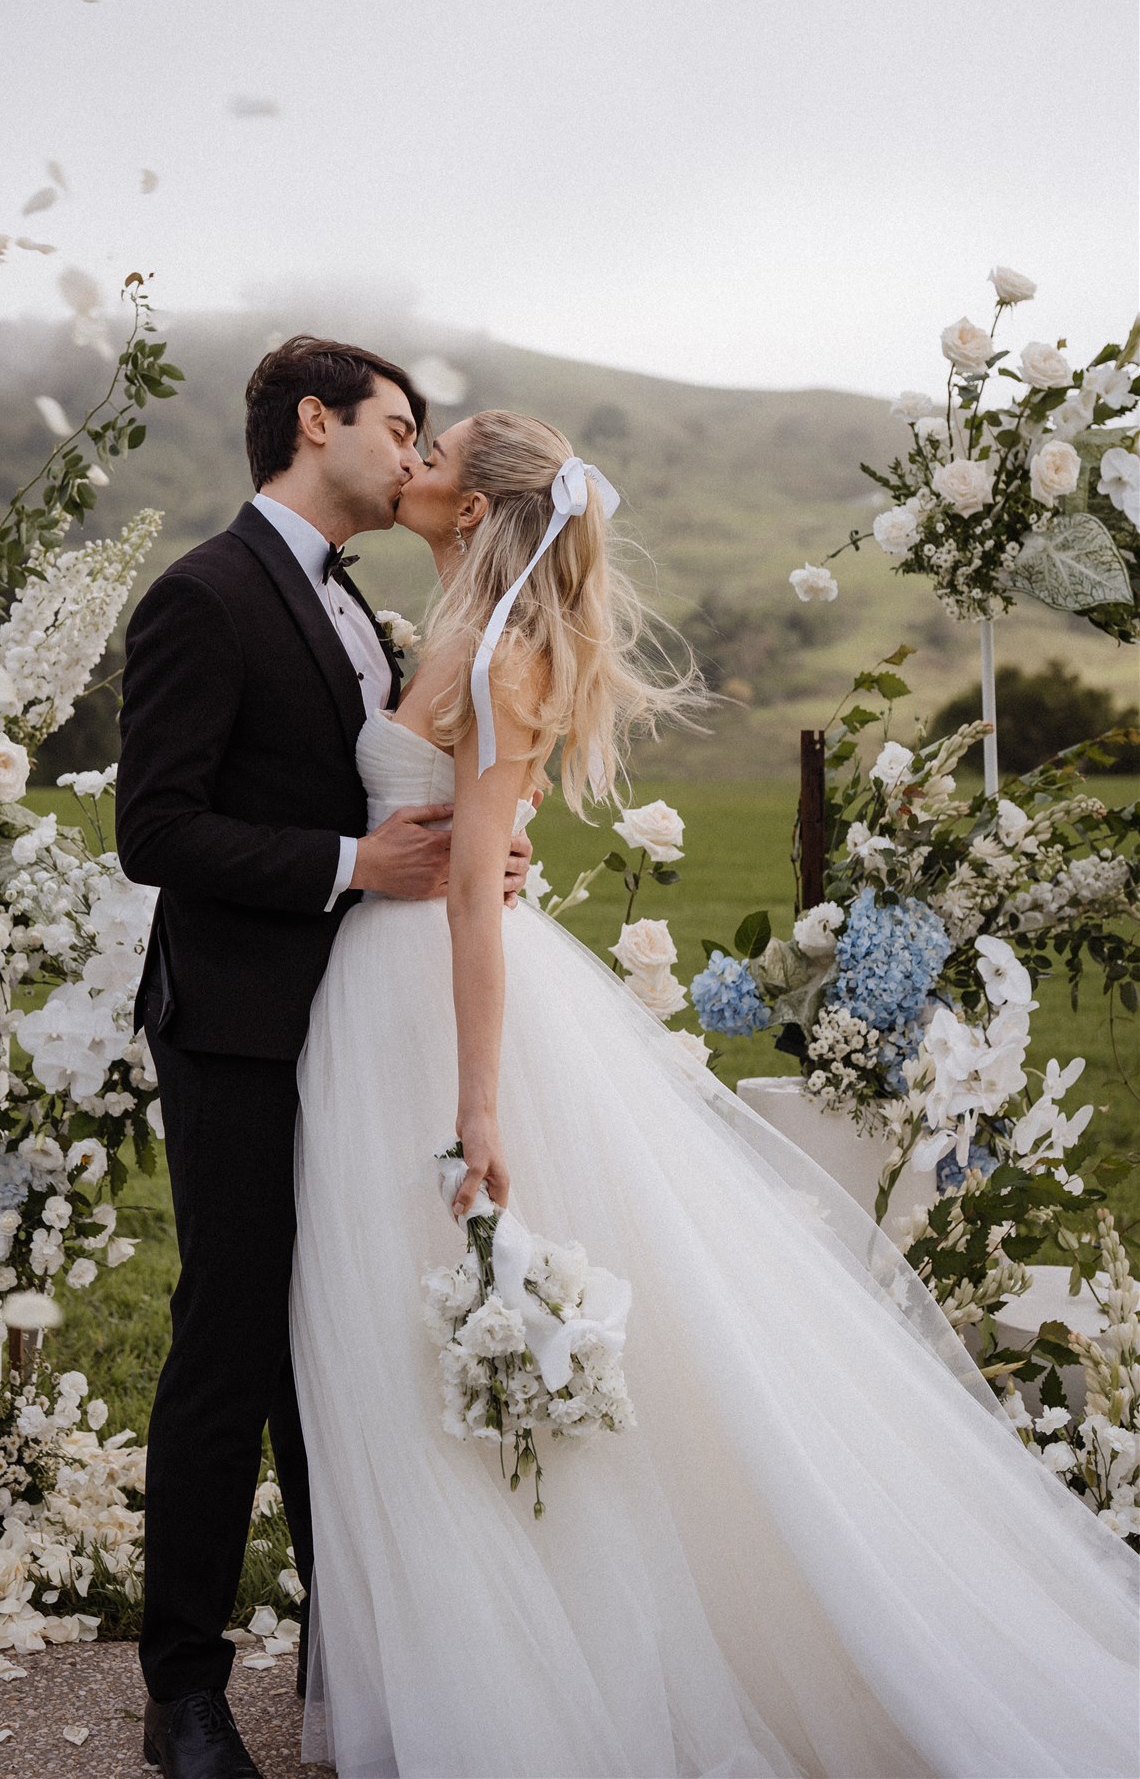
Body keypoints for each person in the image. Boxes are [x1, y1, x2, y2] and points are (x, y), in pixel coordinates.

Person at [288, 408, 1140, 1779]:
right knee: (399, 1339)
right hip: (373, 997)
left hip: (438, 1014)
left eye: (435, 447)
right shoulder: (441, 628)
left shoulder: (502, 657)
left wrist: (482, 1105)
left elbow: (471, 899)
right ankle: (474, 1659)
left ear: (476, 502)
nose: (414, 456)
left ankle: (536, 1688)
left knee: (474, 1314)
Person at [114, 340, 536, 1779]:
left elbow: (407, 800)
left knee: (338, 1337)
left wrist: (475, 854)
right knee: (228, 1337)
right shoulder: (204, 591)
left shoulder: (355, 605)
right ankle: (182, 1694)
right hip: (234, 1020)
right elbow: (152, 832)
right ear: (316, 424)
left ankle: (347, 1660)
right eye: (398, 429)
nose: (414, 458)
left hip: (354, 1027)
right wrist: (361, 859)